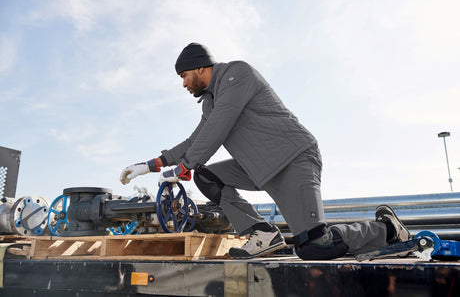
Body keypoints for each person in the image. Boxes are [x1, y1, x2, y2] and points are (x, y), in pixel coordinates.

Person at [120, 43, 410, 260]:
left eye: (184, 75)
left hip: (293, 159)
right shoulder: (210, 103)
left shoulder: (237, 74)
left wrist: (184, 167)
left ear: (199, 67)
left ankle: (386, 229)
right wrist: (149, 166)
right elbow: (194, 140)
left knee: (315, 247)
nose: (183, 83)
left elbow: (216, 130)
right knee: (207, 176)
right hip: (257, 168)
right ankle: (263, 233)